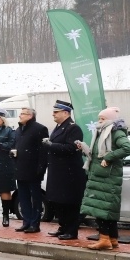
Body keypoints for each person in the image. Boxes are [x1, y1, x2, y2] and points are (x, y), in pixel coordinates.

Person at [77, 107, 130, 250]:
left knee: (102, 210)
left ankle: (104, 239)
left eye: (103, 118)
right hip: (100, 175)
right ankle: (112, 239)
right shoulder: (102, 132)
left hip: (107, 176)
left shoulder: (116, 131)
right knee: (107, 210)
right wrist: (85, 149)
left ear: (111, 119)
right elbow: (97, 155)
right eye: (99, 118)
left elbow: (127, 148)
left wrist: (109, 157)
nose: (99, 121)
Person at [44, 100, 86, 240]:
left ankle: (71, 231)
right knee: (58, 201)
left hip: (69, 172)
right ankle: (63, 227)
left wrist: (51, 145)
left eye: (56, 112)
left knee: (70, 203)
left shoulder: (73, 128)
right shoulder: (58, 127)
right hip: (58, 171)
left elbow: (71, 148)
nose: (53, 114)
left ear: (66, 113)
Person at [12, 107, 48, 234]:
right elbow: (15, 145)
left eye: (23, 114)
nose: (20, 116)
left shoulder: (40, 129)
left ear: (30, 116)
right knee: (23, 198)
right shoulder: (18, 130)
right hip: (20, 169)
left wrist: (40, 169)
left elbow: (43, 152)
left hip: (33, 171)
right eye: (20, 113)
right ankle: (26, 222)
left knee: (35, 198)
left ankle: (35, 224)